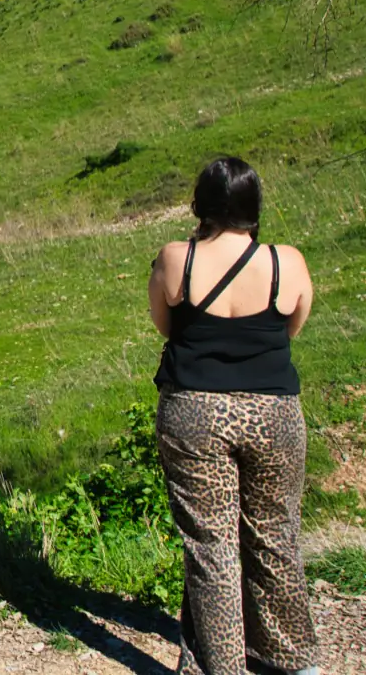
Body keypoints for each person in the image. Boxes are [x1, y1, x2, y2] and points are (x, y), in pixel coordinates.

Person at [148, 157, 318, 675]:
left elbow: (164, 324)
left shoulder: (178, 258)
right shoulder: (287, 261)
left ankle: (220, 665)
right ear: (254, 206)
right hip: (273, 413)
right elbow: (293, 324)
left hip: (195, 412)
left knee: (211, 546)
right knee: (275, 534)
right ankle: (293, 662)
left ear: (199, 205)